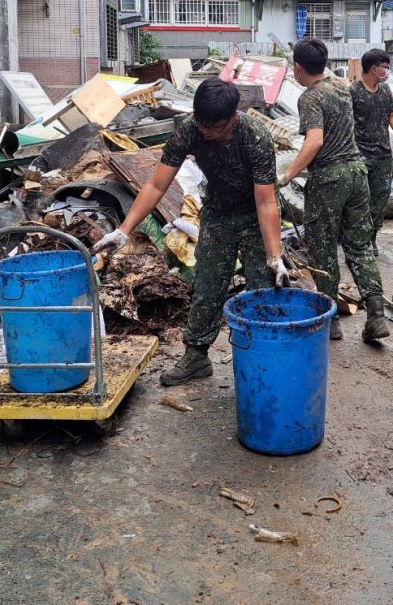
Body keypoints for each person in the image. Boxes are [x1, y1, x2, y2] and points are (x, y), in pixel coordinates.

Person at [93, 79, 289, 386]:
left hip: (254, 216)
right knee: (207, 285)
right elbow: (157, 184)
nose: (206, 133)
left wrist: (274, 256)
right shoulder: (190, 129)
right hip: (218, 214)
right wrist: (123, 231)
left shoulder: (255, 137)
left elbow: (266, 201)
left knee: (260, 290)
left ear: (233, 118)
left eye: (214, 127)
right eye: (202, 125)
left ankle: (263, 360)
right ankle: (196, 356)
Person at [279, 38, 390, 342]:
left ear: (298, 68)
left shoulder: (310, 97)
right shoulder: (343, 85)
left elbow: (314, 141)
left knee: (323, 248)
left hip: (329, 177)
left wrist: (288, 174)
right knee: (359, 245)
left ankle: (331, 322)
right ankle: (376, 315)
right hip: (357, 173)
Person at [349, 48, 393, 248]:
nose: (387, 71)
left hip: (383, 155)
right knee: (360, 201)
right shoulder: (353, 92)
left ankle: (372, 238)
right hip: (360, 155)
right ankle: (359, 242)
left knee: (380, 201)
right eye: (384, 68)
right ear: (374, 69)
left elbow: (392, 114)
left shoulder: (384, 90)